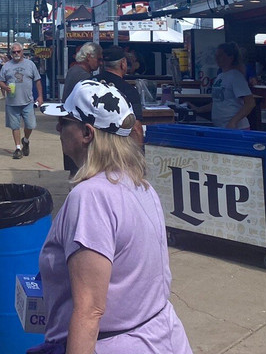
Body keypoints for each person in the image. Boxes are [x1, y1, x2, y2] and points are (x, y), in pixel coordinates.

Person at [37, 80, 192, 353]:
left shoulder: (90, 198)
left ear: (87, 133)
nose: (58, 128)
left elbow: (89, 312)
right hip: (162, 338)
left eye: (65, 121)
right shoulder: (139, 185)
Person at [0, 43, 43, 160]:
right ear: (11, 53)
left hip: (28, 101)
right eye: (14, 52)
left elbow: (37, 80)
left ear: (22, 52)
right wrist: (5, 87)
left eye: (18, 51)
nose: (16, 54)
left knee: (30, 124)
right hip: (12, 102)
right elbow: (0, 81)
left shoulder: (30, 64)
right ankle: (18, 148)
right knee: (15, 126)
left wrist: (40, 96)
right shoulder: (6, 66)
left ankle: (26, 140)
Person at [208, 43, 255, 129]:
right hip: (221, 126)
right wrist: (198, 109)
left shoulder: (236, 77)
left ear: (231, 57)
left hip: (236, 127)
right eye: (216, 55)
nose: (217, 58)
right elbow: (220, 102)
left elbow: (250, 103)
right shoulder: (220, 76)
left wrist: (233, 121)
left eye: (221, 55)